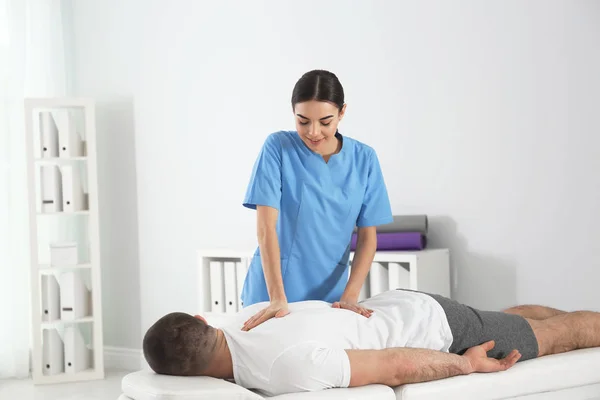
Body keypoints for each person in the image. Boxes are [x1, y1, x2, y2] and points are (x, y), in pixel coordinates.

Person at [142, 289, 600, 397]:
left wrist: (467, 366)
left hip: (435, 327)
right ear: (204, 321)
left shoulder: (284, 369)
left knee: (561, 338)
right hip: (397, 303)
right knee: (517, 318)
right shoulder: (243, 315)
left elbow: (393, 366)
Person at [239, 69, 393, 331]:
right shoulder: (278, 148)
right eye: (303, 121)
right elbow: (266, 229)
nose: (313, 132)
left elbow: (368, 237)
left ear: (342, 113)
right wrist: (277, 298)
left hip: (329, 298)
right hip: (273, 294)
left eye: (325, 121)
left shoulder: (364, 159)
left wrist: (350, 296)